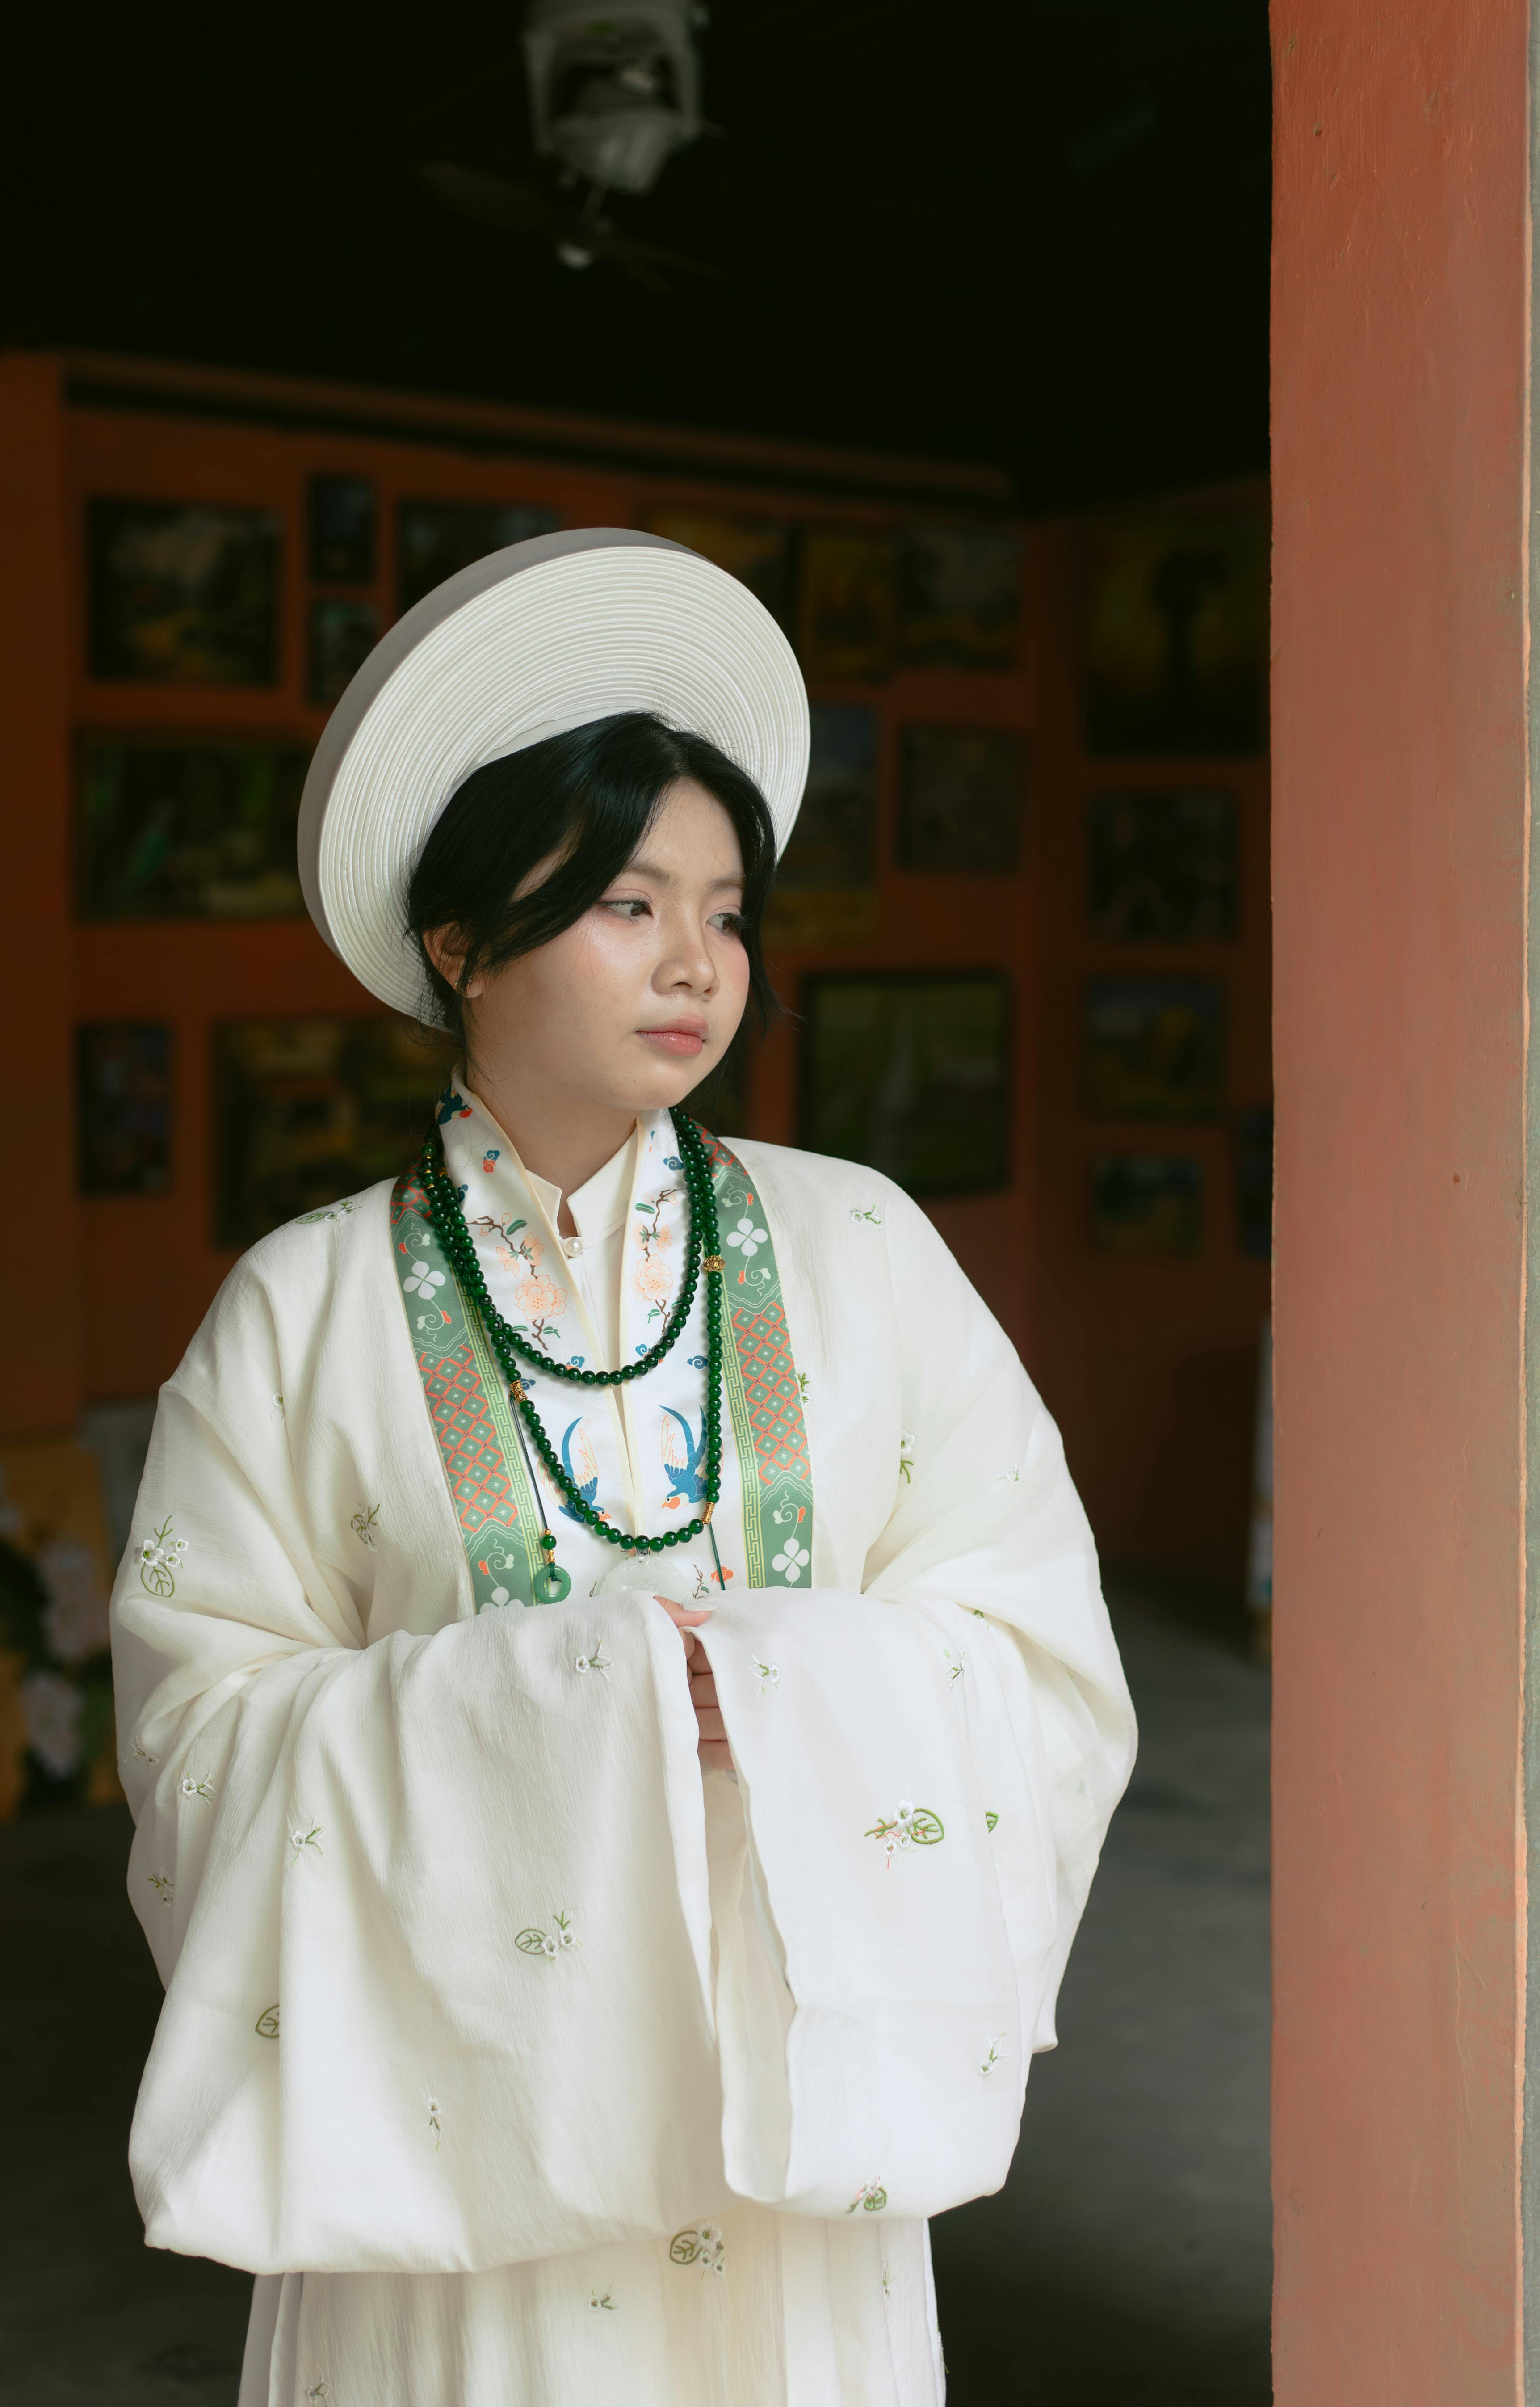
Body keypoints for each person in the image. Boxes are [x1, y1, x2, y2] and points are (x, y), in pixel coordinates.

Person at [112, 528, 1135, 2407]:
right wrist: (575, 1709)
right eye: (629, 902)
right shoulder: (302, 1309)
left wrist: (789, 1694)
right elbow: (194, 1752)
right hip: (462, 2155)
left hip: (791, 2134)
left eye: (727, 910)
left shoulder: (862, 1250)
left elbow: (1047, 1651)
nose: (697, 962)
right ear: (460, 939)